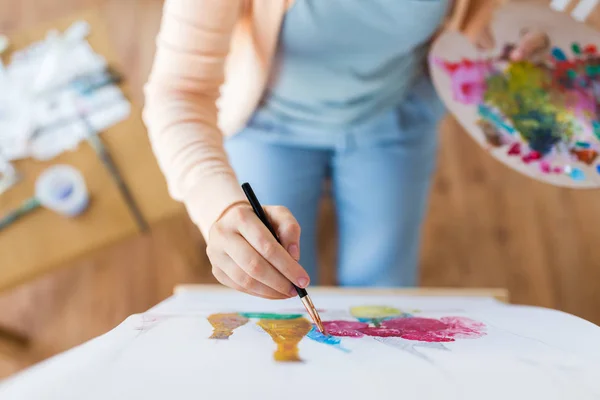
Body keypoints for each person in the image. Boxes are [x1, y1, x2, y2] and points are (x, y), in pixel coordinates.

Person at [143, 0, 549, 300]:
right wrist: (221, 210)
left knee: (385, 292)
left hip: (394, 114)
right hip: (265, 123)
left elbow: (484, 17)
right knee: (276, 293)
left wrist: (511, 34)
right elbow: (178, 92)